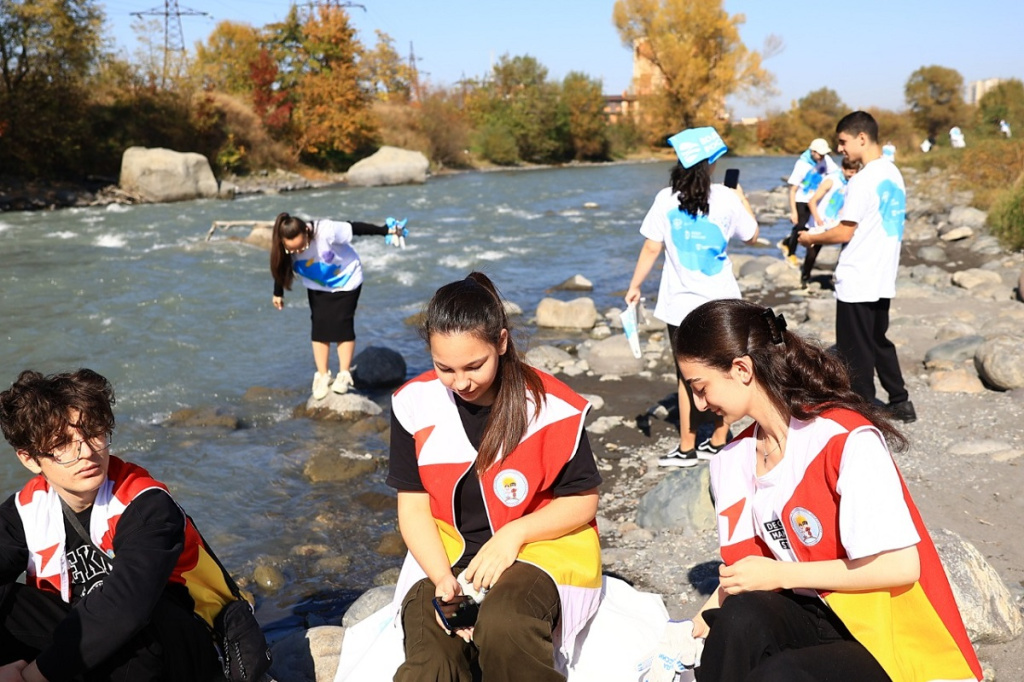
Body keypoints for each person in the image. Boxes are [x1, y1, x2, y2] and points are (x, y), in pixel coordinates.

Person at [673, 299, 982, 682]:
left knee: (781, 674)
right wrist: (685, 632)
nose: (701, 404)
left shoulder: (842, 438)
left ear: (741, 369)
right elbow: (747, 574)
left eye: (701, 388)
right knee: (737, 618)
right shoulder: (733, 461)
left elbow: (901, 566)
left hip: (883, 628)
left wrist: (783, 574)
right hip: (813, 613)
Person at [387, 272, 603, 681]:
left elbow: (583, 499)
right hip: (448, 555)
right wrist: (442, 580)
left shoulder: (551, 405)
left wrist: (513, 535)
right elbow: (412, 507)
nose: (461, 382)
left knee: (505, 626)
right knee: (431, 659)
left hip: (540, 550)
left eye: (474, 366)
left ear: (501, 342)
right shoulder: (412, 403)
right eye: (444, 368)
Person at [0, 369, 242, 681]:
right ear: (30, 459)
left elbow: (126, 608)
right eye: (63, 443)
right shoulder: (26, 511)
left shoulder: (146, 504)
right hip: (93, 642)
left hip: (173, 647)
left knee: (139, 614)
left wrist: (35, 675)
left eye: (93, 434)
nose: (86, 453)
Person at [626, 127, 759, 467]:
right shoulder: (727, 198)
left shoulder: (665, 199)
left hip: (679, 305)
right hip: (722, 303)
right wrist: (741, 196)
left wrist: (635, 285)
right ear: (712, 163)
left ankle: (687, 446)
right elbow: (752, 235)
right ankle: (718, 438)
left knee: (686, 375)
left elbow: (651, 246)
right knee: (725, 371)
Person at [798, 111, 916, 423]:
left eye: (843, 142)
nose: (840, 149)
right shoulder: (894, 174)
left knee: (855, 350)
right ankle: (900, 400)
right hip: (881, 273)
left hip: (858, 275)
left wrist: (812, 237)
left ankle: (863, 411)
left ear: (862, 138)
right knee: (878, 340)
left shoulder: (864, 179)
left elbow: (844, 232)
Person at [270, 213, 408, 400]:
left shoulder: (326, 231)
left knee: (342, 324)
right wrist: (278, 292)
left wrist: (385, 230)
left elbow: (356, 227)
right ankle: (323, 375)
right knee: (319, 327)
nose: (298, 252)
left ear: (307, 232)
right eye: (292, 250)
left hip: (347, 280)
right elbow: (281, 266)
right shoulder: (284, 247)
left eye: (302, 246)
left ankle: (343, 374)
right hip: (317, 285)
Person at [799, 156, 861, 286]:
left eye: (855, 172)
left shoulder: (854, 182)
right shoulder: (831, 180)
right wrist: (817, 218)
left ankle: (839, 277)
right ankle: (805, 277)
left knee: (846, 248)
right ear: (843, 169)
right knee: (812, 253)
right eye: (850, 172)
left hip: (835, 222)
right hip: (819, 222)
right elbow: (812, 201)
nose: (853, 175)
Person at [781, 138, 839, 269]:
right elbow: (793, 189)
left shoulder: (826, 159)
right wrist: (793, 212)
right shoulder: (802, 164)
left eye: (824, 154)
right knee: (800, 225)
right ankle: (791, 253)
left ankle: (787, 242)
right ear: (812, 152)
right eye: (819, 154)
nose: (822, 157)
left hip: (816, 199)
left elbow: (836, 173)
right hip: (801, 199)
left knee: (810, 228)